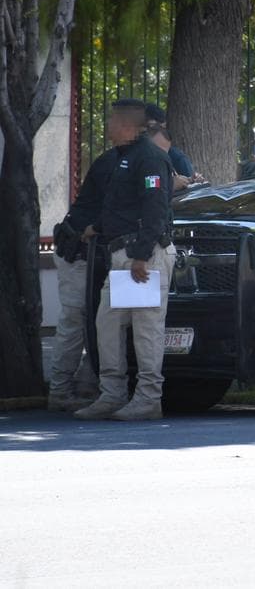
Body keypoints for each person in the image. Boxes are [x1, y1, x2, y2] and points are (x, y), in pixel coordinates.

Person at [75, 99, 176, 421]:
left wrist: (142, 255)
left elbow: (155, 209)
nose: (107, 126)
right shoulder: (125, 158)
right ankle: (112, 394)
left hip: (143, 256)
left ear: (127, 126)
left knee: (146, 329)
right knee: (106, 323)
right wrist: (97, 228)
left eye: (112, 120)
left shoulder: (149, 159)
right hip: (123, 254)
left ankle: (148, 398)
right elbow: (122, 207)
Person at [46, 147, 120, 411]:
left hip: (97, 254)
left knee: (102, 320)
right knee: (76, 320)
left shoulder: (131, 160)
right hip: (78, 252)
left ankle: (87, 383)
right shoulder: (117, 163)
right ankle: (61, 390)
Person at [144, 103, 204, 190]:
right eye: (153, 128)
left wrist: (191, 180)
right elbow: (143, 186)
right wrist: (170, 185)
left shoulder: (175, 157)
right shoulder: (133, 157)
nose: (160, 133)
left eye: (162, 128)